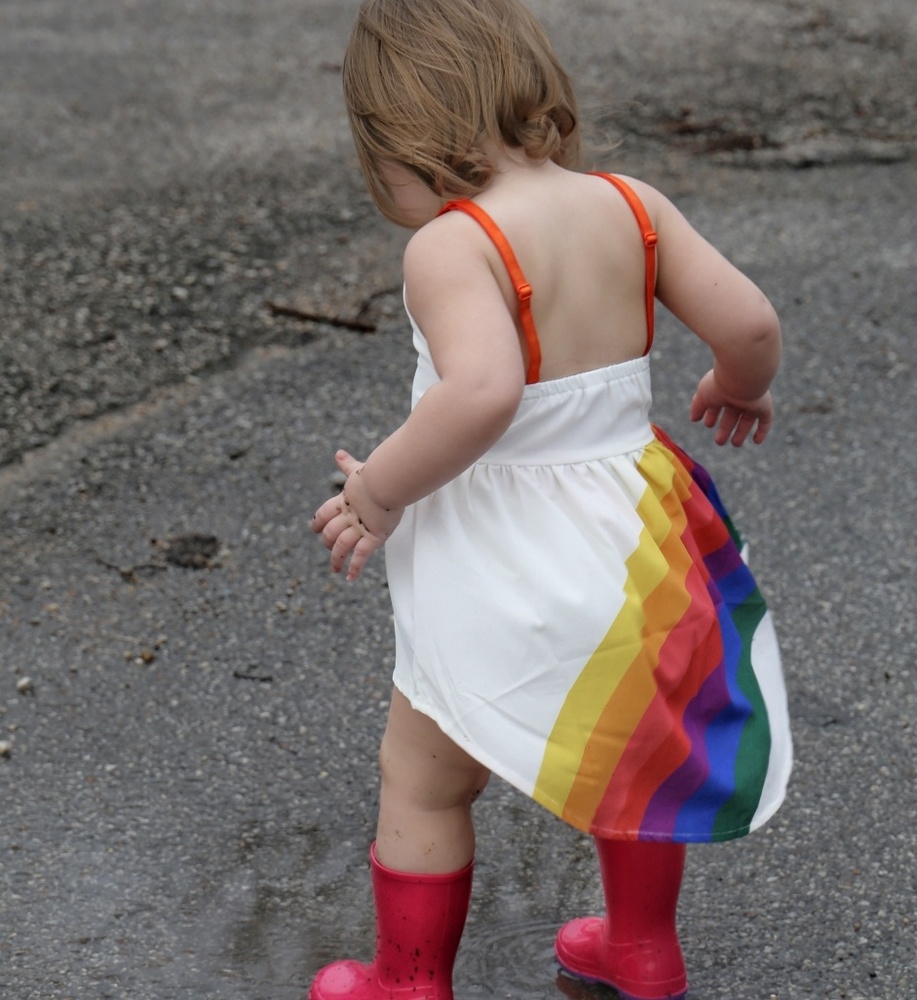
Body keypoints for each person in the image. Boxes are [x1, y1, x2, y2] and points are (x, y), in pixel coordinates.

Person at [310, 1, 792, 998]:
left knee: (425, 776)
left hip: (499, 553)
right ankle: (640, 948)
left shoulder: (453, 244)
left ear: (398, 141)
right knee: (639, 752)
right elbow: (747, 320)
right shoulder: (629, 203)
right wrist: (738, 386)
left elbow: (480, 394)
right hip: (632, 545)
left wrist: (380, 492)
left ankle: (406, 979)